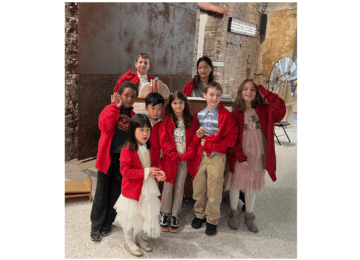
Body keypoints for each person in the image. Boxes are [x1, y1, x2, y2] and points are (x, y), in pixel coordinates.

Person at [226, 79, 286, 232]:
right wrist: (240, 156)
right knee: (236, 184)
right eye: (245, 89)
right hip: (242, 155)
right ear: (240, 92)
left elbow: (280, 108)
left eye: (253, 90)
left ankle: (249, 215)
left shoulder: (265, 110)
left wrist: (263, 90)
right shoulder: (235, 113)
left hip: (258, 154)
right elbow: (232, 138)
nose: (249, 92)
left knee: (252, 186)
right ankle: (233, 213)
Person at [90, 81, 138, 241]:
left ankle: (108, 223)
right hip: (107, 158)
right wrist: (114, 107)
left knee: (116, 193)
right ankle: (96, 224)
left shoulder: (133, 116)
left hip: (122, 161)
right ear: (119, 95)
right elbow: (104, 126)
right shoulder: (110, 109)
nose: (129, 99)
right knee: (101, 192)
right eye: (126, 95)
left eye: (132, 96)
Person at [113, 114, 166, 256]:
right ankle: (129, 240)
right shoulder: (127, 150)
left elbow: (157, 163)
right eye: (141, 130)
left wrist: (160, 172)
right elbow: (126, 171)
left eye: (148, 130)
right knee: (131, 215)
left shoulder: (152, 147)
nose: (145, 133)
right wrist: (147, 171)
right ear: (132, 131)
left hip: (148, 188)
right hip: (132, 190)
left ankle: (139, 237)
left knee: (144, 213)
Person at [190, 81, 238, 236]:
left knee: (214, 189)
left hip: (217, 157)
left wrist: (212, 145)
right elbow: (195, 138)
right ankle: (199, 214)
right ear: (204, 95)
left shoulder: (225, 116)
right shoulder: (199, 115)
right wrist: (198, 138)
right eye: (211, 94)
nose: (214, 98)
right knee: (199, 187)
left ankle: (212, 220)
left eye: (218, 95)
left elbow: (231, 139)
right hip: (200, 157)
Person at [159, 91, 199, 233]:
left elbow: (195, 139)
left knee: (180, 186)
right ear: (170, 105)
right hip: (171, 159)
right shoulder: (167, 120)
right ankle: (164, 213)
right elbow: (164, 141)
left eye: (181, 102)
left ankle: (175, 214)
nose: (178, 105)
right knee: (168, 186)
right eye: (175, 103)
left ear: (185, 103)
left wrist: (187, 154)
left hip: (184, 159)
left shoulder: (191, 119)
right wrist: (174, 155)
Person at [145, 92, 165, 159]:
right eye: (153, 108)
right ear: (146, 108)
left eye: (159, 109)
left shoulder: (163, 124)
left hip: (159, 156)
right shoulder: (142, 122)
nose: (156, 112)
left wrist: (163, 148)